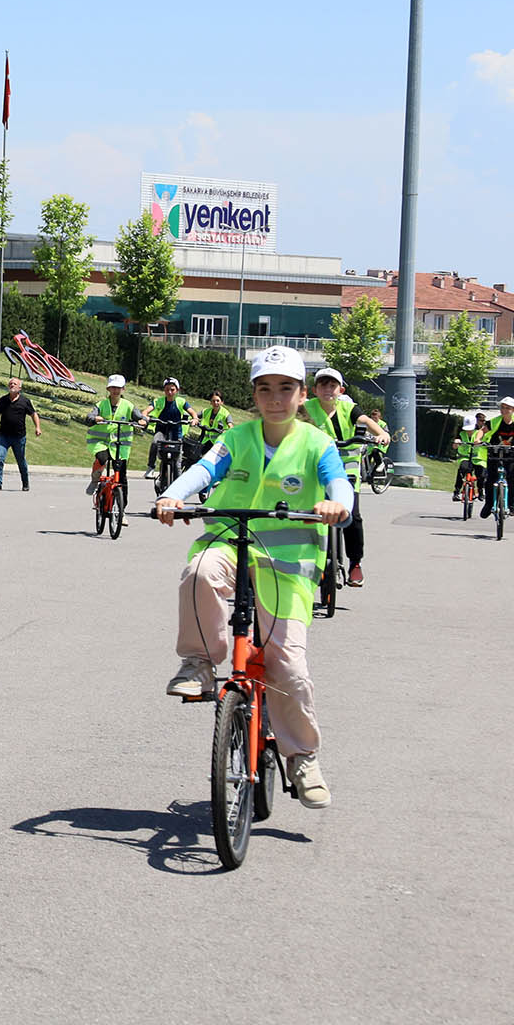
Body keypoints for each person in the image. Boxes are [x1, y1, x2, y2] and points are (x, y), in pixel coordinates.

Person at [155, 346, 353, 810]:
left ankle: (302, 758)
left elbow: (337, 480)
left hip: (289, 562)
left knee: (289, 666)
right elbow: (204, 469)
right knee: (198, 571)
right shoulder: (236, 437)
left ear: (301, 395)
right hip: (229, 541)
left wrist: (337, 503)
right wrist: (172, 496)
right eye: (265, 389)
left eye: (286, 388)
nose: (275, 398)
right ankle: (199, 664)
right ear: (254, 395)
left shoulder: (315, 443)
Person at [298, 367, 388, 586]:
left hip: (347, 470)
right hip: (315, 470)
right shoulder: (306, 409)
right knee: (308, 513)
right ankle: (310, 561)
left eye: (332, 386)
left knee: (352, 516)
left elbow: (367, 421)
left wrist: (382, 434)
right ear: (315, 390)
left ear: (340, 390)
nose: (328, 389)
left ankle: (355, 563)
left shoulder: (349, 409)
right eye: (323, 385)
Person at [473, 397, 514, 519]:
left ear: (513, 410)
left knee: (512, 479)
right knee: (490, 479)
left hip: (511, 454)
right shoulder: (495, 421)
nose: (504, 410)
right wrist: (478, 439)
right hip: (494, 452)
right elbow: (482, 431)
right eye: (502, 407)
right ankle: (488, 504)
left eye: (507, 408)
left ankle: (512, 504)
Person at [85, 375, 143, 495]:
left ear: (123, 389)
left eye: (118, 388)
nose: (116, 390)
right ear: (108, 389)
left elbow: (138, 416)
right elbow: (90, 417)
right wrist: (94, 418)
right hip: (100, 442)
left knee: (121, 473)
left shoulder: (128, 405)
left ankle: (122, 504)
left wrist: (142, 420)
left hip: (120, 446)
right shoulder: (101, 405)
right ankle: (95, 479)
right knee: (102, 458)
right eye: (113, 388)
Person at [0, 377, 40, 491]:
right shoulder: (3, 400)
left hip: (19, 437)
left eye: (14, 384)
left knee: (21, 461)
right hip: (4, 436)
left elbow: (34, 414)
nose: (12, 385)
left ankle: (25, 483)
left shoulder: (25, 401)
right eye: (10, 384)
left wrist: (37, 427)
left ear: (19, 387)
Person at [146, 377, 187, 474]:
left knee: (177, 462)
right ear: (164, 390)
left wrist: (194, 418)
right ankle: (150, 467)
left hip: (176, 433)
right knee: (155, 443)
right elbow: (146, 410)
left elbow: (192, 412)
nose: (169, 392)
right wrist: (144, 417)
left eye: (172, 390)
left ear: (177, 390)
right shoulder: (158, 401)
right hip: (161, 431)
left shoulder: (181, 402)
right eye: (167, 389)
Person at [451, 412, 487, 501]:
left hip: (478, 458)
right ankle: (456, 492)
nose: (468, 431)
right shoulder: (461, 433)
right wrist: (456, 443)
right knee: (462, 471)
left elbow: (486, 441)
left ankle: (480, 491)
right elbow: (455, 445)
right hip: (465, 457)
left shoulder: (480, 432)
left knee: (481, 475)